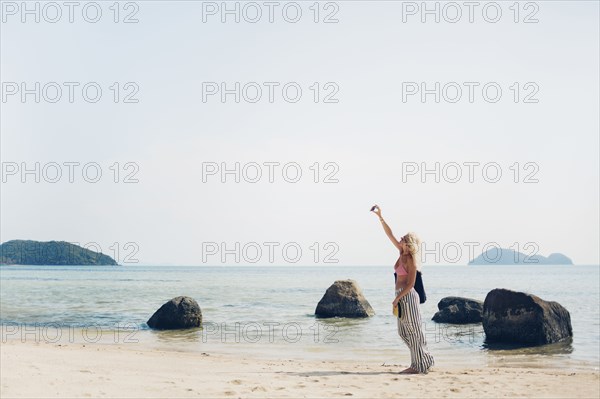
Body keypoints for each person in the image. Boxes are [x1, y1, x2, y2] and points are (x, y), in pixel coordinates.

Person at [371, 204, 434, 374]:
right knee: (403, 332)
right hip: (400, 297)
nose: (400, 238)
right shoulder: (401, 252)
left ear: (409, 243)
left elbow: (411, 284)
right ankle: (425, 359)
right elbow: (389, 234)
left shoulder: (411, 260)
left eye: (404, 238)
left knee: (414, 332)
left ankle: (417, 366)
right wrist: (380, 217)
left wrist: (398, 298)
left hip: (408, 297)